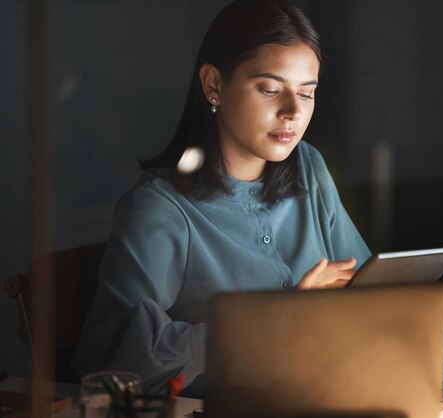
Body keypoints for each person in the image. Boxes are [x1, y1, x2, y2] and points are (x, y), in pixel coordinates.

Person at [72, 0, 371, 397]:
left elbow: (369, 289)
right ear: (214, 84)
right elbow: (113, 366)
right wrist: (277, 321)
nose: (293, 112)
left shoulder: (308, 168)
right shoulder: (160, 208)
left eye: (307, 93)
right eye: (270, 89)